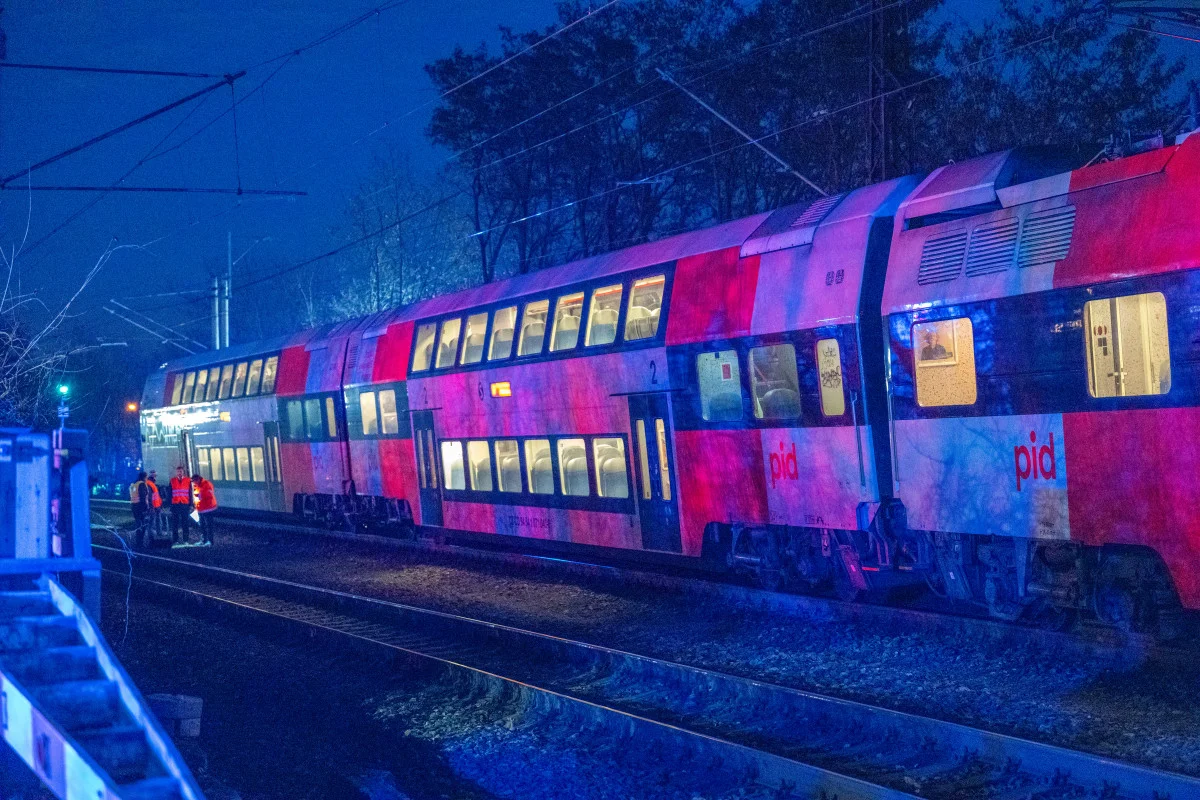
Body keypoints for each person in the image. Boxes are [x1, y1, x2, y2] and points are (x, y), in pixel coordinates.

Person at [192, 473, 218, 546]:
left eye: (194, 481)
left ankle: (210, 541)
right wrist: (196, 506)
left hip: (208, 508)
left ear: (198, 479)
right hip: (201, 508)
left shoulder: (207, 484)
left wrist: (200, 496)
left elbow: (209, 495)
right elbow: (197, 497)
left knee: (209, 525)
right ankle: (204, 540)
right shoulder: (197, 485)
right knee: (202, 525)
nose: (194, 483)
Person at [169, 466, 193, 544]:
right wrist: (170, 504)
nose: (179, 473)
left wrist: (191, 504)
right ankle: (175, 540)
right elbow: (169, 493)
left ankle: (185, 540)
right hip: (175, 504)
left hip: (184, 504)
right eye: (178, 471)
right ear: (176, 472)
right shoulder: (172, 481)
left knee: (185, 523)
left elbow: (190, 493)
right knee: (175, 523)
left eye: (181, 471)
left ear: (183, 472)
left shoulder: (188, 480)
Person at [128, 471, 152, 548]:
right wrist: (146, 508)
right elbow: (143, 497)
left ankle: (138, 542)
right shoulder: (141, 484)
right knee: (142, 525)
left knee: (138, 524)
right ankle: (140, 542)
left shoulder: (134, 485)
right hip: (141, 507)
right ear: (144, 477)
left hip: (134, 507)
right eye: (146, 477)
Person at [146, 470, 164, 543]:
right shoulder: (149, 484)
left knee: (156, 521)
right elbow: (150, 497)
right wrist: (152, 507)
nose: (155, 477)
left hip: (156, 506)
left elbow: (155, 496)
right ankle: (151, 536)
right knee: (152, 522)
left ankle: (157, 534)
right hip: (154, 507)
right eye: (154, 475)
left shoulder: (152, 484)